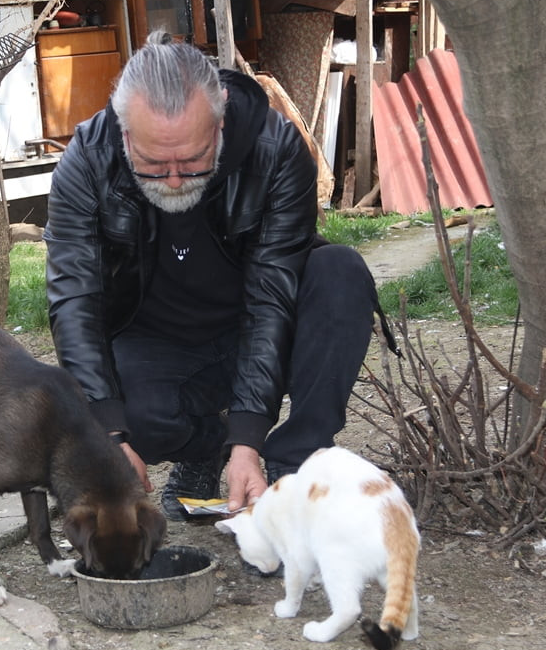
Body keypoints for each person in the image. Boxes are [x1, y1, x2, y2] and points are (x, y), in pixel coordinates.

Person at [44, 30, 394, 520]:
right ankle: (205, 449)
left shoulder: (275, 147)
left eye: (191, 161)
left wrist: (250, 439)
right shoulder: (86, 159)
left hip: (256, 324)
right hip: (155, 339)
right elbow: (74, 299)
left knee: (340, 272)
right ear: (124, 132)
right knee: (120, 412)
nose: (171, 180)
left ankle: (295, 465)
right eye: (150, 163)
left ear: (221, 118)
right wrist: (108, 436)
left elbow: (272, 296)